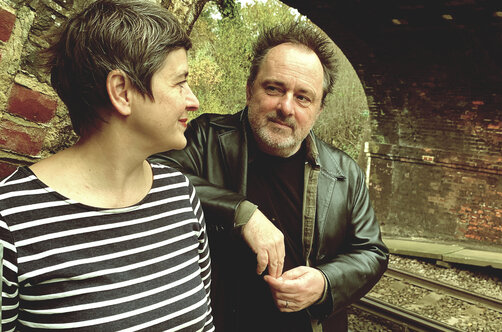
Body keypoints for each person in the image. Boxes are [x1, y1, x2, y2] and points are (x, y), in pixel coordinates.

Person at [151, 22, 389, 331]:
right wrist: (241, 213)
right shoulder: (204, 138)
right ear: (250, 89)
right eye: (274, 89)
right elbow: (156, 173)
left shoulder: (346, 173)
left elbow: (372, 251)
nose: (286, 107)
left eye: (303, 97)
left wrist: (325, 282)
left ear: (318, 109)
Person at [0, 0, 214, 330]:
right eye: (179, 81)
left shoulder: (180, 195)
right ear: (122, 91)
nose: (193, 100)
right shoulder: (10, 221)